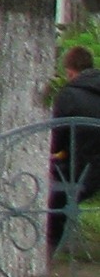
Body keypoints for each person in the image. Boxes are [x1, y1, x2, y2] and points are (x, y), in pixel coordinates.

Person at [48, 45, 100, 253]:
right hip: (94, 170)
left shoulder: (68, 95)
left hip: (79, 171)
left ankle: (51, 243)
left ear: (69, 71)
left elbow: (56, 140)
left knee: (49, 186)